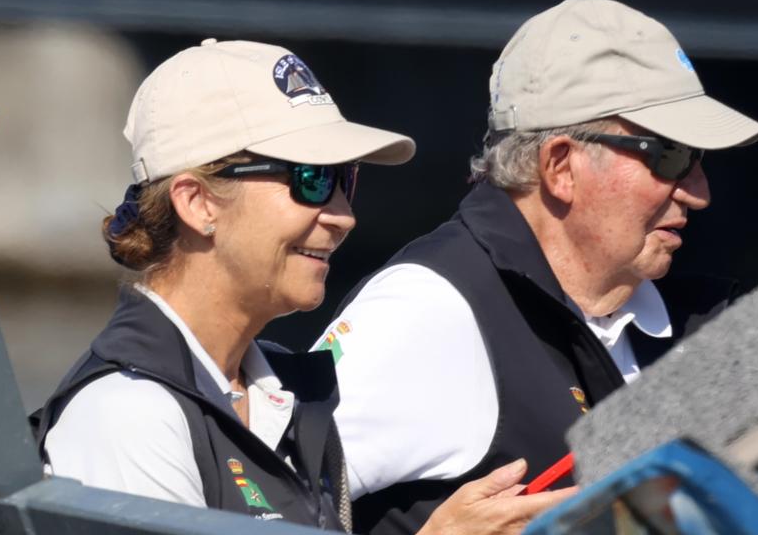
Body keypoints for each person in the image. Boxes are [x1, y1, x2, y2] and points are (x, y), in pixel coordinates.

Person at [37, 39, 573, 534]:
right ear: (197, 202)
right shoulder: (127, 416)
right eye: (311, 179)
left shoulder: (285, 397)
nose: (343, 216)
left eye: (346, 181)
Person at [314, 0, 758, 535]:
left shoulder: (683, 324)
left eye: (699, 160)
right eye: (669, 156)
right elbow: (248, 512)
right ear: (560, 167)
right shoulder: (430, 309)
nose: (699, 192)